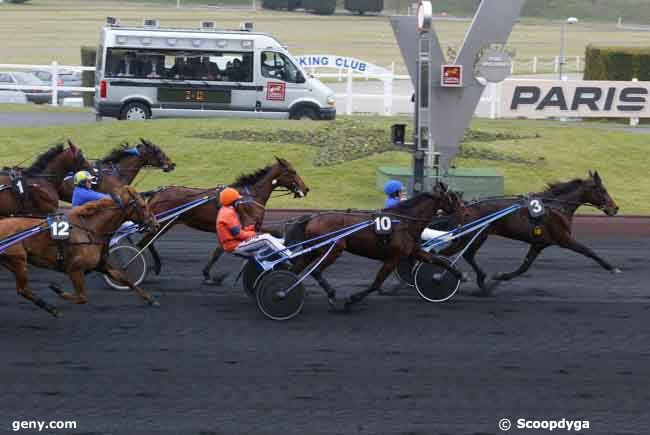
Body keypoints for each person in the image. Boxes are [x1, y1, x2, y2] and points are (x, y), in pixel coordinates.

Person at [216, 187, 288, 258]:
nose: (240, 202)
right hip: (235, 245)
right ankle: (289, 254)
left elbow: (238, 231)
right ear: (233, 202)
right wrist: (254, 234)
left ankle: (281, 244)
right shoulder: (228, 214)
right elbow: (237, 234)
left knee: (266, 242)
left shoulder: (226, 210)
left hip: (234, 243)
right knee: (266, 238)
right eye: (238, 200)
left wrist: (252, 228)